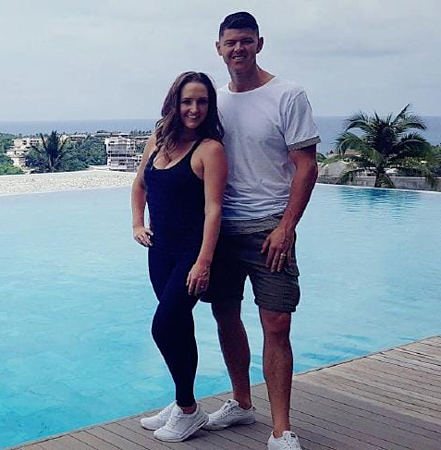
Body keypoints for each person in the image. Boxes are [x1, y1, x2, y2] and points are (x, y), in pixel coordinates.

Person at [201, 12, 320, 450]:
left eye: (246, 41)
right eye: (230, 42)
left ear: (259, 44)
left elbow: (306, 165)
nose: (238, 49)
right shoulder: (214, 101)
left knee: (277, 322)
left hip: (269, 227)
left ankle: (281, 428)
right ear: (218, 48)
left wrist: (287, 226)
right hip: (222, 229)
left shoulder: (287, 94)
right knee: (225, 314)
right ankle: (241, 402)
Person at [131, 71, 228, 442]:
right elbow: (140, 184)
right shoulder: (158, 140)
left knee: (163, 326)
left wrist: (203, 262)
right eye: (187, 101)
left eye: (202, 101)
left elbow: (214, 210)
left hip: (191, 253)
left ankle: (188, 410)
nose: (194, 108)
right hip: (160, 252)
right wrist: (137, 224)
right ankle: (182, 401)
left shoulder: (210, 149)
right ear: (175, 103)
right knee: (179, 326)